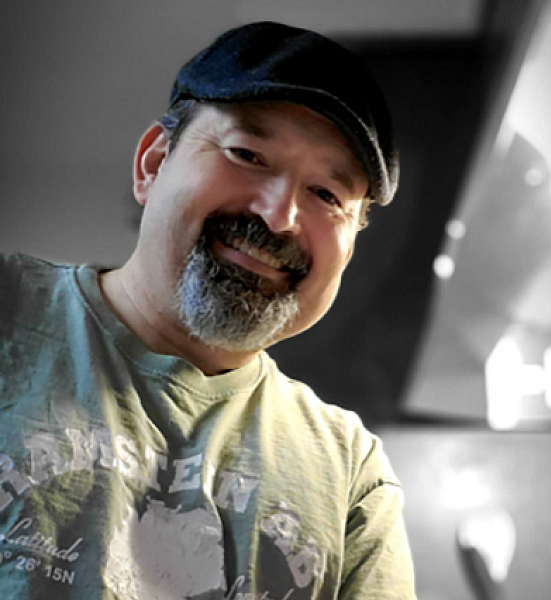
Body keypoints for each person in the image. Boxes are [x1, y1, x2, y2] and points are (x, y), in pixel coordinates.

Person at [0, 21, 416, 599]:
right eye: (247, 153)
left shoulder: (351, 474)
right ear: (153, 163)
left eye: (326, 194)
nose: (279, 216)